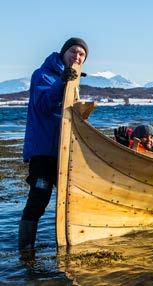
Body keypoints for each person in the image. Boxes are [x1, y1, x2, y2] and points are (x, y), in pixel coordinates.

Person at [19, 37, 88, 251]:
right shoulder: (43, 75)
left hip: (66, 152)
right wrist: (62, 82)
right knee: (38, 200)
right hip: (43, 151)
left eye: (81, 55)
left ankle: (69, 247)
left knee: (73, 200)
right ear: (63, 52)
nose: (77, 56)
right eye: (74, 51)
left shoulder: (72, 81)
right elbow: (44, 105)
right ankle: (25, 251)